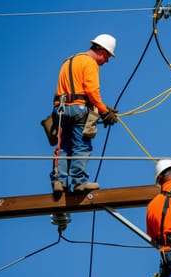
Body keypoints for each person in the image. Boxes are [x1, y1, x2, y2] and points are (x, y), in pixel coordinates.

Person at [50, 34, 119, 194]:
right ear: (101, 50)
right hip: (77, 110)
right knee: (81, 146)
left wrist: (103, 108)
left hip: (60, 110)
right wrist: (104, 111)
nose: (107, 60)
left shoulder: (69, 61)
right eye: (108, 55)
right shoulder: (90, 62)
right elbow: (91, 91)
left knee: (65, 147)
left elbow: (76, 89)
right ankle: (79, 182)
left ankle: (59, 182)